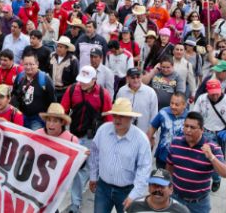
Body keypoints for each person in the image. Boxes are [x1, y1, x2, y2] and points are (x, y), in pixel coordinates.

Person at [61, 65, 114, 213]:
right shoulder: (72, 90)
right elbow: (63, 110)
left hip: (92, 138)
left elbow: (108, 120)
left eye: (86, 80)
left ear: (94, 80)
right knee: (73, 169)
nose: (82, 83)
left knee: (84, 170)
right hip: (73, 136)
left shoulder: (103, 95)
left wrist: (106, 141)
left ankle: (75, 205)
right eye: (81, 80)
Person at [89, 98, 153, 213]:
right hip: (103, 188)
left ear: (131, 118)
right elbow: (94, 153)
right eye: (115, 115)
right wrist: (93, 176)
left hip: (127, 191)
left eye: (122, 116)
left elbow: (144, 168)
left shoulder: (141, 140)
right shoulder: (103, 131)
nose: (117, 119)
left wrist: (134, 195)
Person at [165, 111, 226, 213]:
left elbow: (224, 173)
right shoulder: (175, 142)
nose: (188, 130)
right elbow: (169, 166)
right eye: (186, 126)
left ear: (202, 130)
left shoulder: (213, 147)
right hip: (176, 199)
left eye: (192, 127)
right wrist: (168, 186)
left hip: (199, 204)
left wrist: (211, 157)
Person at [191, 79, 226, 193]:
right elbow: (195, 115)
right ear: (207, 91)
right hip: (203, 133)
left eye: (217, 92)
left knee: (216, 160)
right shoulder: (202, 99)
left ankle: (216, 178)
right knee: (199, 157)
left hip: (219, 136)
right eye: (212, 93)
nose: (214, 95)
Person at [10, 53, 56, 131]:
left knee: (34, 140)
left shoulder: (45, 79)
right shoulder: (20, 77)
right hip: (21, 115)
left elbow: (52, 102)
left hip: (38, 119)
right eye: (26, 64)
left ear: (37, 64)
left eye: (31, 64)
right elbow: (14, 94)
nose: (28, 67)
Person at [147, 92, 188, 169]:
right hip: (162, 156)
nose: (173, 106)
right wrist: (148, 142)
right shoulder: (163, 112)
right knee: (161, 180)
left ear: (184, 105)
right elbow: (152, 128)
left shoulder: (189, 117)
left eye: (177, 104)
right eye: (171, 103)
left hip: (180, 159)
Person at [126, 168, 191, 213]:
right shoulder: (134, 206)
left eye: (162, 186)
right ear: (149, 187)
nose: (157, 189)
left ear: (171, 189)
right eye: (154, 185)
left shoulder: (181, 211)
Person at [116, 68, 159, 134]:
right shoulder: (121, 91)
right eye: (133, 78)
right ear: (127, 78)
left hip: (144, 133)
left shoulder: (150, 92)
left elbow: (154, 115)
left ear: (141, 77)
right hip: (125, 132)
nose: (136, 80)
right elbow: (117, 112)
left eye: (138, 77)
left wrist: (152, 135)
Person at [50, 36, 80, 102]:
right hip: (52, 89)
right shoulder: (52, 56)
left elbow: (76, 78)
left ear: (66, 49)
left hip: (65, 91)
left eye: (61, 47)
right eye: (57, 46)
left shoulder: (72, 60)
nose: (58, 48)